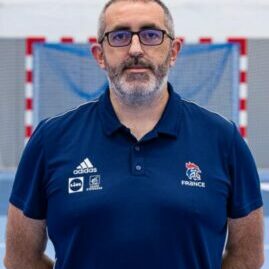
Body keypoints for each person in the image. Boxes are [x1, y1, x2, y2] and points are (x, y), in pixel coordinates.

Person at [4, 0, 264, 268]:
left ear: (173, 51)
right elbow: (21, 259)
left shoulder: (223, 139)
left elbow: (247, 258)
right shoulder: (50, 140)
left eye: (152, 35)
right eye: (119, 36)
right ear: (99, 55)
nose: (136, 49)